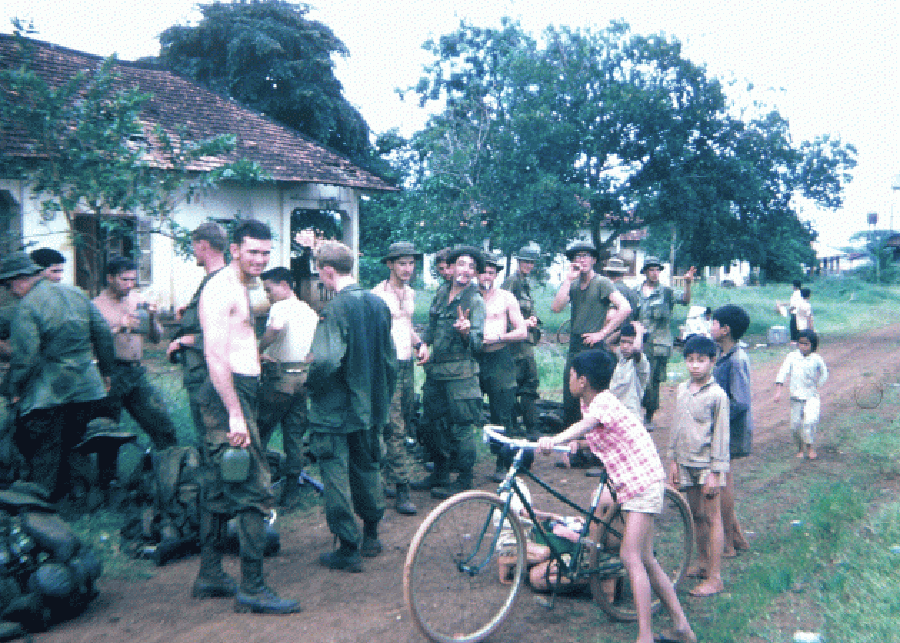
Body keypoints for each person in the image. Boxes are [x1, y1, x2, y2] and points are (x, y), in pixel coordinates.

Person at [537, 348, 696, 643]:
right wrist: (580, 446)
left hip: (642, 483)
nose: (568, 379)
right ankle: (682, 628)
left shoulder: (602, 403)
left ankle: (645, 636)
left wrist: (555, 439)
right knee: (646, 559)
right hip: (633, 483)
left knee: (631, 556)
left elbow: (586, 426)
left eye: (571, 374)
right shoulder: (591, 405)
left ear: (582, 380)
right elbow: (602, 434)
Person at [194, 219, 300, 614]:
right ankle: (252, 587)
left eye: (266, 253)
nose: (260, 259)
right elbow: (215, 356)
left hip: (240, 388)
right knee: (255, 490)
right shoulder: (220, 287)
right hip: (227, 396)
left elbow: (239, 339)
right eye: (253, 251)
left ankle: (209, 574)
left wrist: (257, 356)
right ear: (235, 249)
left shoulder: (245, 284)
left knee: (219, 485)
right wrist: (236, 415)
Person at [307, 241, 396, 572]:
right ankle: (371, 534)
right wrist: (380, 400)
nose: (321, 278)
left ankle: (347, 547)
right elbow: (389, 361)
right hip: (370, 405)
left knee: (335, 474)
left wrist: (309, 380)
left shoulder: (335, 309)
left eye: (320, 272)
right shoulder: (378, 304)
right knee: (368, 467)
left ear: (328, 270)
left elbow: (326, 358)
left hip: (335, 409)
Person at [1, 252, 115, 503]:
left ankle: (43, 504)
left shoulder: (28, 306)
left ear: (20, 279)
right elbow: (104, 334)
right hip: (88, 387)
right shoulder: (76, 294)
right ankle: (82, 497)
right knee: (76, 444)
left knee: (46, 448)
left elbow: (26, 358)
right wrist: (106, 372)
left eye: (9, 286)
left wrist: (15, 388)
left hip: (50, 391)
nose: (10, 292)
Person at [92, 257, 178, 483]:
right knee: (108, 432)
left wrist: (151, 317)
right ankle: (107, 484)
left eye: (132, 279)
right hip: (109, 373)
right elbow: (90, 343)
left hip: (136, 372)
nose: (129, 284)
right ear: (110, 278)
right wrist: (120, 326)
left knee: (162, 425)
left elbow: (157, 338)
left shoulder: (137, 300)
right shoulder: (96, 306)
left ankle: (163, 477)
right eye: (124, 279)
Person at [412, 245, 486, 500]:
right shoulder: (441, 293)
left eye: (471, 267)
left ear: (475, 273)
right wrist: (423, 345)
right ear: (452, 268)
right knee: (433, 425)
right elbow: (431, 328)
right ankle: (440, 474)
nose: (465, 270)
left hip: (461, 377)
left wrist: (466, 332)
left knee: (462, 428)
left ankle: (464, 478)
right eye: (461, 264)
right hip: (436, 374)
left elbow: (478, 345)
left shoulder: (474, 301)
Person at [669, 334, 730, 598]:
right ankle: (703, 562)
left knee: (713, 517)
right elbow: (676, 427)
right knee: (696, 515)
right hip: (685, 461)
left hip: (708, 466)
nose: (695, 366)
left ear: (712, 362)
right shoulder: (682, 389)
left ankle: (715, 577)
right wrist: (672, 459)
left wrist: (716, 473)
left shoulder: (717, 395)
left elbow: (721, 436)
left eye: (701, 360)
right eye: (690, 360)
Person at [371, 241, 429, 516]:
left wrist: (420, 344)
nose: (408, 269)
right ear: (390, 264)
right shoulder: (377, 296)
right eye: (402, 263)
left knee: (404, 423)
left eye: (411, 263)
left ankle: (388, 478)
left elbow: (405, 326)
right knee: (393, 426)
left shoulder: (411, 293)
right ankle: (402, 488)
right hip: (387, 366)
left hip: (408, 365)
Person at [551, 241, 630, 427]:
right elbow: (556, 307)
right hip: (574, 345)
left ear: (594, 260)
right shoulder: (574, 284)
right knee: (570, 395)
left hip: (593, 347)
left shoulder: (602, 282)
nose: (582, 260)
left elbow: (625, 308)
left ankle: (593, 444)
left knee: (592, 396)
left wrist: (602, 334)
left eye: (586, 256)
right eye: (577, 256)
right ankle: (573, 445)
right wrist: (568, 279)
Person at [258, 266, 318, 509]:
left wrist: (257, 349)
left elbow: (275, 328)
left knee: (259, 432)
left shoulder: (280, 307)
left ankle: (257, 488)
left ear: (284, 285)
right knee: (293, 436)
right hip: (303, 379)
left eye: (269, 290)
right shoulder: (308, 310)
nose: (268, 295)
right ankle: (292, 490)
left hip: (279, 379)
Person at [167, 222, 228, 440]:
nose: (193, 251)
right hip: (201, 371)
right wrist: (191, 312)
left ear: (202, 245)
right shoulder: (212, 280)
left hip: (207, 374)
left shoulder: (219, 282)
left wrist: (184, 341)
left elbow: (228, 334)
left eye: (194, 246)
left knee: (212, 436)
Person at [479, 250, 528, 482]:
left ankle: (503, 463)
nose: (486, 277)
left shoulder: (506, 297)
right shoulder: (468, 297)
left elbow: (521, 330)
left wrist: (498, 338)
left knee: (503, 411)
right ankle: (461, 463)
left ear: (496, 275)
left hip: (499, 358)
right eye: (482, 272)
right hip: (473, 359)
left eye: (491, 272)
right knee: (465, 411)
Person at [711, 304, 753, 557]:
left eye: (714, 323)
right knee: (724, 480)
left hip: (730, 430)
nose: (711, 326)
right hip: (723, 429)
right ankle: (735, 534)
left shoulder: (737, 360)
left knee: (723, 482)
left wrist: (716, 419)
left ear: (725, 330)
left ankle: (727, 541)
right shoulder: (721, 354)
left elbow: (741, 401)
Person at [636, 256, 696, 428]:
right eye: (651, 270)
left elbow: (685, 300)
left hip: (658, 344)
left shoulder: (666, 292)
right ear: (645, 272)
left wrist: (688, 284)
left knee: (652, 380)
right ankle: (634, 413)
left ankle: (649, 415)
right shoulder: (635, 291)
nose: (655, 273)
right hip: (639, 342)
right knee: (635, 378)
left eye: (657, 270)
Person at [501, 245, 542, 441]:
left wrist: (533, 320)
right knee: (514, 385)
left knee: (529, 384)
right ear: (518, 262)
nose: (528, 265)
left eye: (531, 262)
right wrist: (522, 324)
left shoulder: (524, 283)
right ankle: (512, 427)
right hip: (514, 345)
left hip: (524, 343)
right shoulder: (512, 281)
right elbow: (501, 310)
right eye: (525, 261)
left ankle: (530, 428)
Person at [774, 330, 828, 460]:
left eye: (806, 344)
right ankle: (800, 448)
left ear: (813, 345)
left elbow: (824, 373)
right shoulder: (792, 357)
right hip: (796, 397)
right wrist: (778, 391)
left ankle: (810, 447)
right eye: (801, 343)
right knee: (795, 426)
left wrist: (818, 385)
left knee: (809, 422)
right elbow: (783, 372)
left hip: (811, 396)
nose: (803, 347)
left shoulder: (816, 359)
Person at [609, 321, 650, 419]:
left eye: (630, 343)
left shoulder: (640, 363)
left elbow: (636, 349)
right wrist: (623, 330)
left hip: (631, 415)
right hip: (615, 412)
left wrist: (639, 331)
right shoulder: (622, 357)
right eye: (623, 341)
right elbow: (608, 342)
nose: (625, 346)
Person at [602, 256, 639, 323]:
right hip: (629, 330)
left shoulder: (609, 291)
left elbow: (609, 317)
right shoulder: (631, 291)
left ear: (606, 273)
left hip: (613, 331)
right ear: (623, 274)